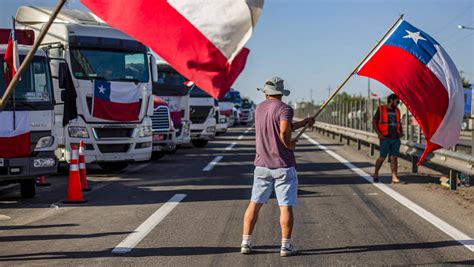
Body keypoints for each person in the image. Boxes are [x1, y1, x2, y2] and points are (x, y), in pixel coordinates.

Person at [240, 76, 315, 257]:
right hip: (283, 165)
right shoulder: (285, 108)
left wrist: (303, 123)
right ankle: (285, 246)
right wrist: (289, 145)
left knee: (254, 205)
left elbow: (282, 127)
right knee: (285, 206)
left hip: (262, 164)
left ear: (266, 92)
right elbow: (282, 130)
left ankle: (245, 243)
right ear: (281, 93)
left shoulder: (259, 109)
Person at [372, 93, 404, 184]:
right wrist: (379, 134)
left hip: (395, 138)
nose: (398, 103)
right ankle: (376, 173)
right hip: (385, 138)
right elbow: (374, 122)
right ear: (391, 100)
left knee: (394, 158)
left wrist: (401, 131)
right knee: (382, 157)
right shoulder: (381, 109)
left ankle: (394, 177)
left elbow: (398, 122)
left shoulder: (397, 110)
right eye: (397, 101)